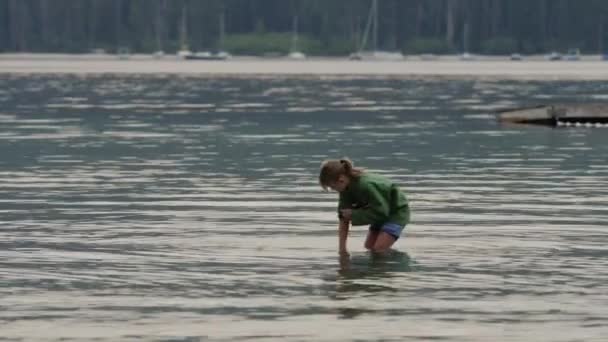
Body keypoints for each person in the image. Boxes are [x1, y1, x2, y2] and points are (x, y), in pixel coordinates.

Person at [319, 158, 410, 256]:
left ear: (341, 180)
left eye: (333, 187)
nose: (334, 190)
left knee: (378, 249)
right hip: (375, 211)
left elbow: (382, 212)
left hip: (395, 212)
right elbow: (343, 218)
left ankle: (398, 264)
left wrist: (354, 214)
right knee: (369, 247)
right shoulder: (344, 190)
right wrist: (342, 249)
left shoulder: (366, 185)